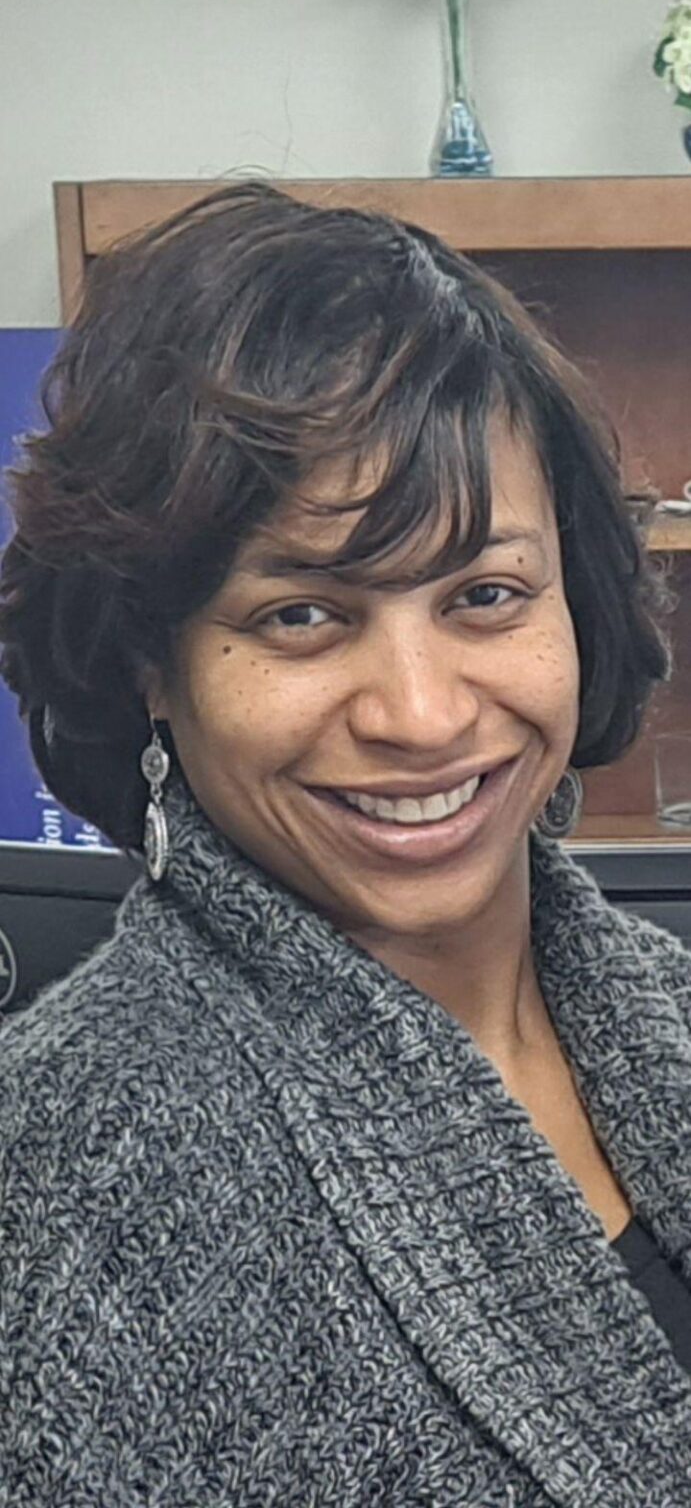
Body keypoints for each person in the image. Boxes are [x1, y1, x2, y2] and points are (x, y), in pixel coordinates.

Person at [1, 182, 690, 1507]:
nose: (422, 716)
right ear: (152, 662)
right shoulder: (62, 1190)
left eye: (485, 594)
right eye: (302, 617)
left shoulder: (669, 1006)